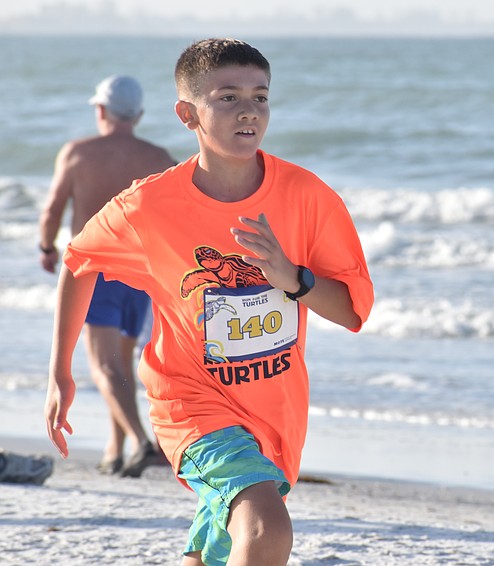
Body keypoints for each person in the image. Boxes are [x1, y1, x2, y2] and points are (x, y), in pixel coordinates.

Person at [44, 38, 374, 566]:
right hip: (190, 403)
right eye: (227, 97)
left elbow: (353, 311)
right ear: (187, 113)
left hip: (274, 410)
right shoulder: (150, 205)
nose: (248, 109)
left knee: (219, 544)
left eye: (260, 97)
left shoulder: (307, 196)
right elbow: (79, 260)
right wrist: (61, 371)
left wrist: (290, 277)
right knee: (265, 528)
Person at [39, 75, 176, 478]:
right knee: (119, 362)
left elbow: (52, 208)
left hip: (93, 269)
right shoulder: (159, 157)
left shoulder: (79, 153)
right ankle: (115, 449)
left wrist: (47, 248)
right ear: (139, 115)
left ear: (100, 110)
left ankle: (141, 441)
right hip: (139, 271)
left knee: (102, 365)